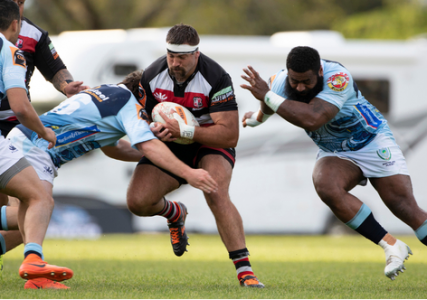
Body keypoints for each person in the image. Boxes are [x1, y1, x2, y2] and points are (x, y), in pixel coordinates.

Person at [1, 70, 218, 288]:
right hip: (36, 148)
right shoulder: (128, 103)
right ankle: (35, 266)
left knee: (29, 224)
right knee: (39, 208)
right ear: (143, 92)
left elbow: (113, 147)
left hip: (23, 139)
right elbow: (147, 145)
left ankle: (37, 280)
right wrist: (188, 172)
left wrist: (159, 152)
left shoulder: (107, 93)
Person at [241, 46, 427, 281]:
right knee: (326, 184)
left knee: (404, 207)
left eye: (306, 81)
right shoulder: (279, 82)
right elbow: (268, 102)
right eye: (294, 81)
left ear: (319, 71)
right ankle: (391, 245)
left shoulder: (337, 78)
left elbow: (312, 118)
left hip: (371, 140)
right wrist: (257, 119)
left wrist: (267, 95)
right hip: (335, 151)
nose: (299, 87)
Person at [127, 23, 264, 288]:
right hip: (172, 143)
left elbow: (229, 135)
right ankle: (175, 213)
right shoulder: (152, 76)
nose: (175, 63)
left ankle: (245, 270)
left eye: (182, 57)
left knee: (215, 190)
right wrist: (154, 129)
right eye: (171, 56)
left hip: (209, 142)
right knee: (138, 202)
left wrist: (187, 131)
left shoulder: (216, 77)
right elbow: (142, 119)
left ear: (196, 54)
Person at [0, 0, 89, 271]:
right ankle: (35, 265)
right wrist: (43, 130)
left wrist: (66, 86)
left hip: (15, 128)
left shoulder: (35, 35)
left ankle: (33, 261)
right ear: (13, 23)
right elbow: (20, 104)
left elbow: (55, 69)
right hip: (24, 120)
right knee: (38, 198)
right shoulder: (10, 48)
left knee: (27, 199)